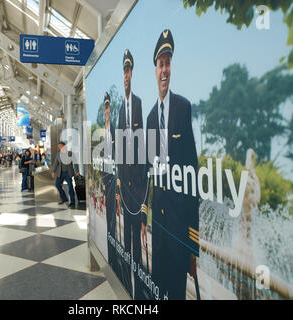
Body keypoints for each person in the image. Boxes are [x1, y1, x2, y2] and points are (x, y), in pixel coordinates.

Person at [145, 29, 200, 300]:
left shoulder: (183, 107)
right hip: (160, 230)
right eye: (161, 64)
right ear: (155, 70)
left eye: (168, 63)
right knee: (158, 292)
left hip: (179, 233)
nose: (165, 69)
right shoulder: (151, 118)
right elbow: (150, 173)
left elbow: (193, 176)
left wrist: (193, 245)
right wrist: (144, 217)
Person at [115, 48, 147, 299]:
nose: (126, 75)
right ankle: (127, 283)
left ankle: (138, 289)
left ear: (132, 73)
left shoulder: (137, 103)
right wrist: (117, 186)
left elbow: (142, 146)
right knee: (126, 239)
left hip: (136, 186)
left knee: (137, 241)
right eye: (124, 70)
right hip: (123, 188)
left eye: (129, 70)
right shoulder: (118, 110)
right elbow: (117, 148)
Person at [101, 92, 118, 274]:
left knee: (113, 219)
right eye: (105, 108)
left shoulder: (113, 130)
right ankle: (110, 254)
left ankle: (115, 256)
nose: (107, 112)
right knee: (109, 220)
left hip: (115, 183)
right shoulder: (103, 133)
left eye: (108, 108)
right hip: (106, 182)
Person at [51, 141, 80, 208]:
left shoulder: (70, 153)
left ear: (64, 146)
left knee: (70, 186)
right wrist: (53, 171)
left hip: (68, 173)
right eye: (59, 147)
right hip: (60, 173)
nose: (60, 148)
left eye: (61, 146)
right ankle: (64, 198)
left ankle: (72, 201)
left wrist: (77, 171)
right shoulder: (58, 154)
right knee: (57, 184)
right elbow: (56, 163)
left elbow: (75, 163)